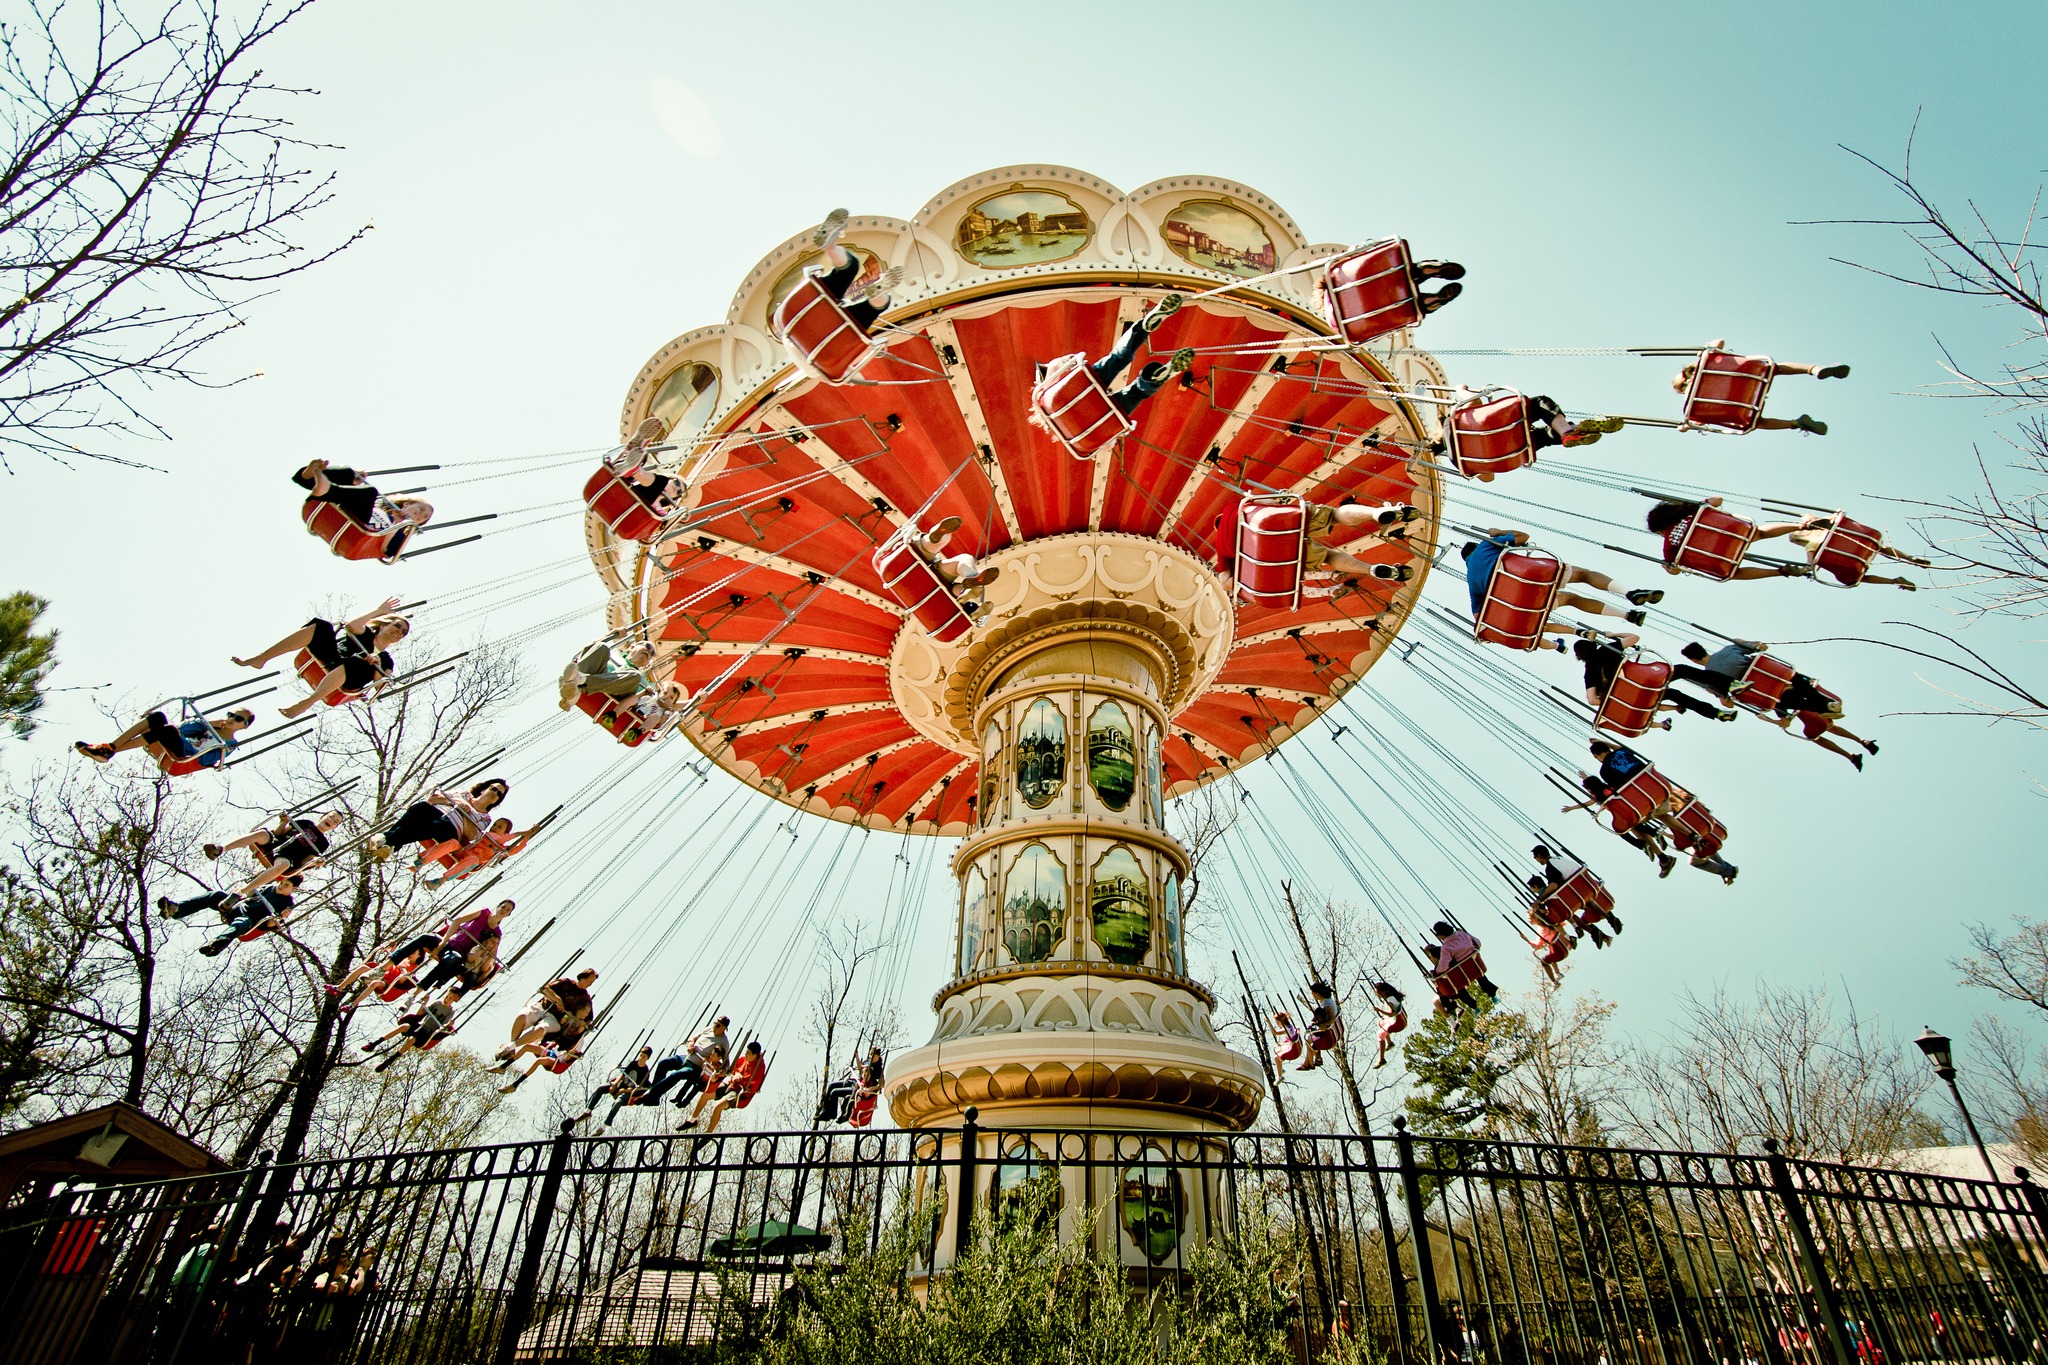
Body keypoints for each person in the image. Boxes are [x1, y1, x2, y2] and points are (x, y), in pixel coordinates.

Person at [1029, 293, 1194, 435]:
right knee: (1117, 358)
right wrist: (1072, 361)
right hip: (1082, 386)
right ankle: (1143, 328)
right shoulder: (1045, 396)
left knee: (1137, 392)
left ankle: (1160, 376)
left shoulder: (1067, 431)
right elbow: (1060, 365)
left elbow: (1106, 443)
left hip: (1103, 416)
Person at [1462, 530, 1654, 649]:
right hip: (1535, 574)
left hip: (1527, 601)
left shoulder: (1471, 583)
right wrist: (1499, 533)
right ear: (1476, 546)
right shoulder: (1486, 546)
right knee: (1584, 575)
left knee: (1571, 599)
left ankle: (1629, 617)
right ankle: (1629, 595)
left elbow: (1479, 616)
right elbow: (1524, 537)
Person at [231, 600, 410, 717]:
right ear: (385, 625)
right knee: (321, 626)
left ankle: (306, 703)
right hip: (333, 660)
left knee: (357, 662)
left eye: (403, 632)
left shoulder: (386, 660)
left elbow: (380, 685)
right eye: (397, 625)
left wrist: (376, 663)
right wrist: (378, 611)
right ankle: (261, 658)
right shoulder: (366, 636)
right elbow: (352, 625)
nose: (399, 631)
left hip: (351, 677)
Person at [1673, 341, 1845, 434]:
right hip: (1751, 379)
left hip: (1743, 405)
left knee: (1755, 423)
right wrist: (1706, 349)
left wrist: (1685, 427)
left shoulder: (1695, 406)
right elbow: (1720, 341)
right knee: (1773, 368)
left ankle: (1795, 423)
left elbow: (1690, 425)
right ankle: (1814, 369)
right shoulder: (1707, 364)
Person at [793, 207, 904, 341]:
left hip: (829, 333)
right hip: (827, 316)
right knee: (850, 274)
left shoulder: (789, 330)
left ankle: (879, 292)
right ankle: (830, 248)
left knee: (853, 275)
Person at [1645, 497, 1811, 581]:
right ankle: (1802, 526)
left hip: (1719, 558)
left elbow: (1675, 570)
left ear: (1660, 529)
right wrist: (1695, 504)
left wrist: (1667, 567)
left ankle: (1780, 571)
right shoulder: (1690, 512)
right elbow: (1718, 499)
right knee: (1759, 532)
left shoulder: (1668, 546)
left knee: (1732, 574)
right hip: (1733, 533)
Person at [1574, 638, 1733, 725]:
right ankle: (1730, 684)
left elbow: (1592, 700)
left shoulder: (1589, 672)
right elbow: (1634, 637)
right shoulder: (1607, 649)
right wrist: (1611, 635)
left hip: (1635, 694)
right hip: (1646, 680)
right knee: (1683, 670)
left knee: (1673, 694)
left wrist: (1616, 700)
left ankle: (1717, 714)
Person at [294, 459, 434, 556]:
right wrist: (354, 484)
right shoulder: (376, 509)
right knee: (349, 473)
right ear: (406, 504)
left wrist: (397, 525)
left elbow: (385, 550)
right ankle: (308, 476)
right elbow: (355, 504)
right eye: (421, 510)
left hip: (361, 533)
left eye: (424, 518)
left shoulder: (401, 535)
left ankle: (325, 489)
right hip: (346, 515)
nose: (421, 516)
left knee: (370, 492)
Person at [208, 810, 344, 899]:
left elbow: (306, 861)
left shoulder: (322, 843)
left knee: (283, 865)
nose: (332, 821)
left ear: (334, 827)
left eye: (335, 822)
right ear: (323, 816)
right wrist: (283, 822)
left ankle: (242, 891)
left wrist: (316, 861)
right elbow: (279, 833)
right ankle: (221, 849)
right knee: (261, 834)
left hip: (288, 856)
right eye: (331, 817)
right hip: (276, 844)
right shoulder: (305, 823)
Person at [158, 875, 302, 956]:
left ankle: (218, 943)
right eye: (282, 882)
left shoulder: (287, 903)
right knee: (217, 895)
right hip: (236, 907)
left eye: (286, 885)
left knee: (241, 922)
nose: (281, 886)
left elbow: (269, 925)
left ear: (293, 889)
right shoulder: (269, 887)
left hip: (250, 920)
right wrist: (249, 887)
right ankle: (177, 909)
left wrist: (280, 918)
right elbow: (249, 893)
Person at [368, 778, 508, 861]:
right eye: (493, 789)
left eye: (498, 794)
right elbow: (433, 799)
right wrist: (454, 803)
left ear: (497, 800)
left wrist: (464, 814)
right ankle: (389, 845)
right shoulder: (463, 794)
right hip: (437, 811)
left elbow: (472, 835)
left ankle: (387, 839)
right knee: (420, 808)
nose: (494, 793)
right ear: (484, 789)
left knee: (436, 825)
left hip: (451, 828)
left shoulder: (485, 818)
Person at [75, 705, 254, 769]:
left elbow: (208, 759)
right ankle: (110, 748)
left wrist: (190, 748)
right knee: (158, 718)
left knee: (167, 730)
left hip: (188, 755)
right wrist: (207, 723)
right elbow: (181, 729)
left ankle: (108, 750)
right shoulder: (210, 726)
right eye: (230, 714)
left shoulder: (228, 744)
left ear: (243, 726)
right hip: (178, 741)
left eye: (237, 719)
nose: (231, 719)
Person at [489, 968, 599, 1071]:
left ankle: (509, 1047)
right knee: (522, 1017)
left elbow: (589, 1019)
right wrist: (557, 999)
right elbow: (546, 989)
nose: (590, 984)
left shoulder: (585, 999)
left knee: (541, 1029)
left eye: (592, 982)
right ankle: (512, 1047)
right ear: (583, 977)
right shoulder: (566, 983)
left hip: (555, 1019)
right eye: (590, 980)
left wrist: (581, 1023)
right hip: (543, 1007)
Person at [1789, 514, 1927, 590]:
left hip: (1852, 561)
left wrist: (1804, 570)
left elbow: (1810, 563)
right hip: (1865, 542)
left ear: (1800, 540)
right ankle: (1911, 558)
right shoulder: (1831, 525)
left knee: (1855, 579)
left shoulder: (1812, 545)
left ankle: (1894, 581)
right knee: (1879, 547)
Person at [1300, 498, 1420, 585]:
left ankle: (1370, 569)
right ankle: (1376, 513)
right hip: (1290, 517)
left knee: (1328, 557)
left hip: (1286, 557)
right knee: (1334, 516)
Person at [1773, 676, 1879, 771]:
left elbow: (1784, 719)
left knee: (1815, 735)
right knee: (1828, 725)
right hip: (1810, 702)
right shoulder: (1790, 677)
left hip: (1806, 712)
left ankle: (1851, 756)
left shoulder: (1775, 698)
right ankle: (1862, 741)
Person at [906, 515, 1002, 615]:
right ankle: (970, 581)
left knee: (932, 544)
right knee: (964, 559)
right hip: (937, 580)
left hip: (917, 564)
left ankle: (939, 536)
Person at [642, 1017, 732, 1111]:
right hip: (687, 1057)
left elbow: (726, 1062)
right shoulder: (708, 1029)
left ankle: (651, 1093)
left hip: (696, 1067)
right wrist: (691, 1044)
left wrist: (723, 1070)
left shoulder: (724, 1042)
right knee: (663, 1063)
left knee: (676, 1075)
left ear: (724, 1028)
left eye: (718, 1025)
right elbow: (693, 1038)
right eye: (715, 1023)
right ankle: (653, 1097)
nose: (715, 1026)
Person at [601, 415, 685, 516]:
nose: (677, 488)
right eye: (676, 482)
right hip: (617, 486)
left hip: (626, 503)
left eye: (679, 492)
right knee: (643, 459)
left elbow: (664, 519)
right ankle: (631, 459)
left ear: (673, 499)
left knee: (658, 481)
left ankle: (633, 459)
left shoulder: (660, 512)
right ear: (670, 478)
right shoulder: (644, 485)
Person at [422, 815, 541, 885]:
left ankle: (441, 880)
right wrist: (520, 833)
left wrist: (528, 835)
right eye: (495, 824)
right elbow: (498, 838)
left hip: (470, 862)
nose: (494, 827)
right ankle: (421, 860)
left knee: (473, 859)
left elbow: (516, 849)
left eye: (499, 827)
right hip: (461, 852)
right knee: (453, 843)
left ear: (505, 832)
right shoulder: (488, 835)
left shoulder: (501, 850)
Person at [363, 988, 463, 1068]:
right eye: (446, 997)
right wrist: (425, 1003)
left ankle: (391, 1059)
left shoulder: (450, 1011)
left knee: (412, 1039)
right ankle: (374, 1043)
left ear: (453, 1000)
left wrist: (449, 1025)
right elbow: (420, 1013)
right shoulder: (437, 1003)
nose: (446, 1000)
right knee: (404, 1026)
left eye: (450, 999)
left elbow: (443, 1027)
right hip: (420, 1025)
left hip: (426, 1032)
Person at [686, 1039, 767, 1133]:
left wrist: (741, 1080)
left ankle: (708, 1133)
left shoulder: (759, 1068)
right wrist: (736, 1074)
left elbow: (753, 1086)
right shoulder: (743, 1059)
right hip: (730, 1085)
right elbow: (734, 1069)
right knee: (706, 1094)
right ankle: (692, 1120)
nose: (745, 1055)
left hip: (739, 1092)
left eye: (748, 1053)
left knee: (718, 1106)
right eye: (746, 1052)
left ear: (754, 1055)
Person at [559, 640, 656, 708]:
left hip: (619, 691)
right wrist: (609, 635)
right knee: (602, 647)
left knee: (635, 676)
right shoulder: (613, 657)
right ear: (632, 647)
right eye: (647, 647)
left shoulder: (642, 681)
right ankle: (576, 685)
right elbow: (591, 648)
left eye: (651, 655)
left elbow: (651, 702)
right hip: (597, 675)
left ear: (647, 663)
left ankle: (579, 682)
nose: (649, 652)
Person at [1428, 921, 1498, 1014]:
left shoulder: (1446, 947)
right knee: (1478, 973)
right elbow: (1477, 942)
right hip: (1476, 966)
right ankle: (1492, 994)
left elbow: (1443, 967)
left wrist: (1436, 971)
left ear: (1441, 934)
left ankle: (1474, 1007)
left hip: (1463, 974)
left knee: (1457, 984)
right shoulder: (1462, 934)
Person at [1670, 637, 1770, 701]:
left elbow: (1728, 704)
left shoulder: (1708, 679)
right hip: (1771, 675)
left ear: (1694, 660)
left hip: (1761, 696)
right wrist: (1742, 642)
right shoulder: (1729, 650)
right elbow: (1764, 647)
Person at [1299, 981, 1342, 1070]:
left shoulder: (1326, 1004)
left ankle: (1309, 1063)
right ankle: (1311, 1061)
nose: (1313, 995)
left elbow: (1332, 1018)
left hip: (1328, 1037)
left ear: (1317, 993)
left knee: (1308, 1040)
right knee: (1311, 1037)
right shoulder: (1327, 1000)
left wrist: (1323, 1025)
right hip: (1334, 1032)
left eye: (1313, 993)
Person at [1369, 981, 1407, 1069]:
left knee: (1380, 1034)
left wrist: (1379, 1010)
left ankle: (1381, 1059)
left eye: (1377, 992)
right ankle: (1389, 1042)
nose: (1376, 994)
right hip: (1396, 1019)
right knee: (1381, 1022)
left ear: (1383, 992)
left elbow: (1391, 1013)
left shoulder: (1390, 1000)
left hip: (1397, 1023)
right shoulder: (1391, 998)